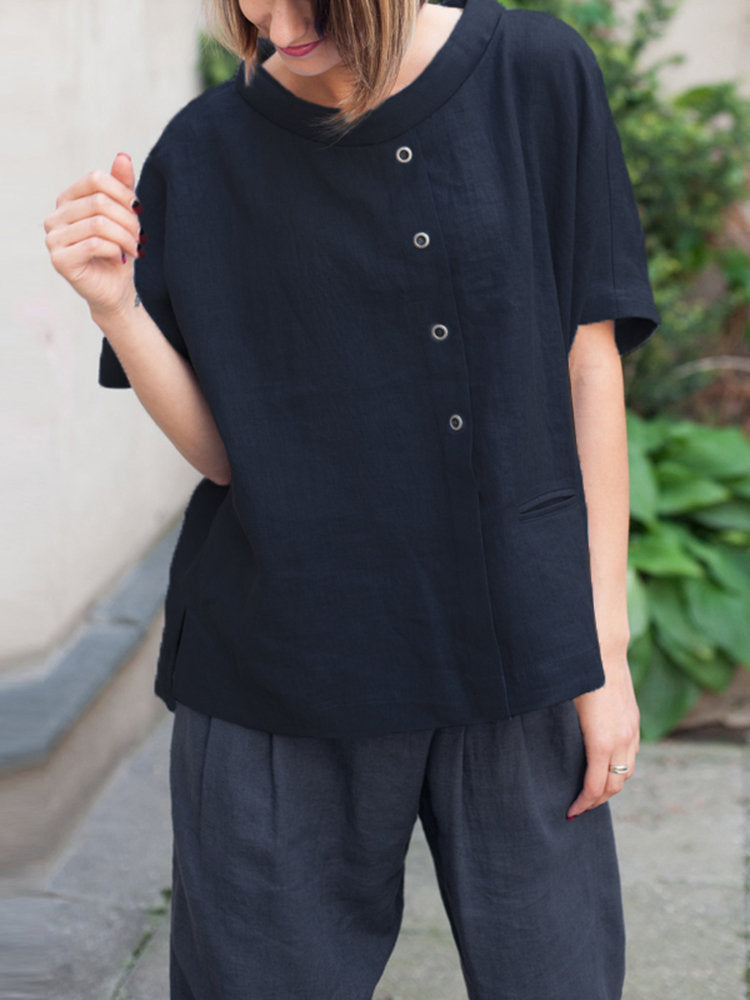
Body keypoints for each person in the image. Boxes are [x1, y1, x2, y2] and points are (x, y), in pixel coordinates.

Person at [44, 0, 660, 995]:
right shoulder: (204, 152)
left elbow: (589, 371)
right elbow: (228, 456)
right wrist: (116, 307)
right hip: (283, 666)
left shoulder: (536, 76)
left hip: (521, 643)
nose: (280, 23)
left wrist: (605, 654)